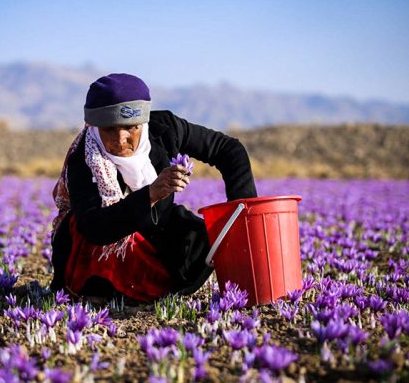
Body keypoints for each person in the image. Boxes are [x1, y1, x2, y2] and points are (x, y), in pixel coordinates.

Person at [49, 73, 257, 301]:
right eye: (109, 129)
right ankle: (106, 291)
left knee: (204, 237)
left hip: (153, 228)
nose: (120, 140)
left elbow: (228, 150)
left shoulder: (164, 129)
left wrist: (242, 211)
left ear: (143, 122)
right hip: (101, 240)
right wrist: (150, 195)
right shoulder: (85, 158)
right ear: (94, 126)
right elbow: (94, 227)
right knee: (81, 232)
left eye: (131, 127)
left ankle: (153, 288)